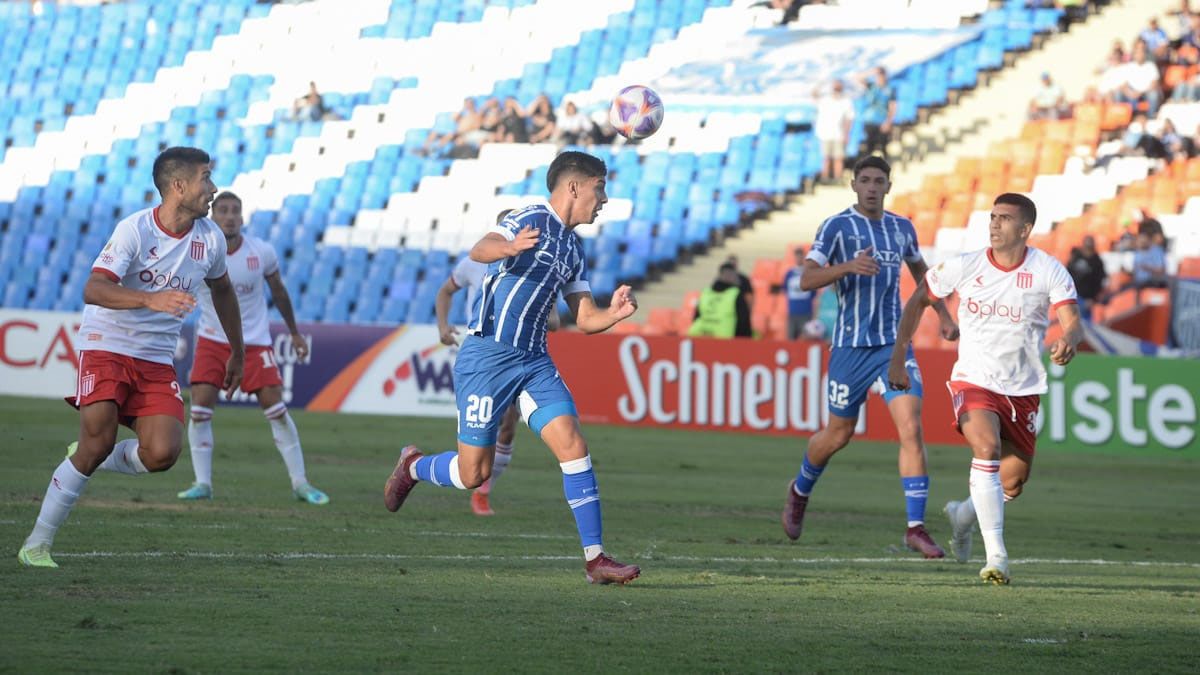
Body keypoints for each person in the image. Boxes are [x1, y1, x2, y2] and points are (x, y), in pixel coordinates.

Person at [384, 150, 641, 585]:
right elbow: (480, 248)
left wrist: (613, 314)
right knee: (473, 474)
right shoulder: (532, 217)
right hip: (488, 357)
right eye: (600, 188)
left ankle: (596, 560)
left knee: (573, 444)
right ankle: (413, 465)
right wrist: (510, 246)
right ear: (574, 186)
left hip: (534, 361)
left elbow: (584, 319)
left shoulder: (573, 249)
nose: (605, 199)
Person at [17, 147, 245, 568]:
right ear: (179, 186)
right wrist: (149, 300)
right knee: (98, 441)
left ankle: (94, 456)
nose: (212, 189)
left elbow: (224, 291)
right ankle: (36, 545)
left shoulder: (210, 238)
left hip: (156, 360)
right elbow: (94, 288)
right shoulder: (135, 230)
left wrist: (238, 351)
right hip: (106, 344)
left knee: (161, 455)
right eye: (206, 178)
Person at [888, 193, 1082, 585]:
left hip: (1023, 387)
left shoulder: (1048, 270)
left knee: (1013, 481)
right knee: (987, 448)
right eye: (992, 217)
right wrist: (898, 355)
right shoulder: (966, 265)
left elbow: (1072, 320)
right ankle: (997, 558)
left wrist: (1070, 341)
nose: (994, 224)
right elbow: (919, 299)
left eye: (1005, 219)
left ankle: (963, 515)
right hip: (973, 378)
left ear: (1025, 229)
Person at [779, 155, 959, 558]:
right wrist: (846, 267)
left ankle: (916, 527)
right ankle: (800, 489)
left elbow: (922, 274)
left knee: (911, 427)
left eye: (880, 180)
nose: (873, 187)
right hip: (849, 349)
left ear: (889, 186)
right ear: (854, 186)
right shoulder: (837, 227)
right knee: (837, 435)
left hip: (894, 346)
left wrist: (944, 314)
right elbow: (807, 278)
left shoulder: (902, 228)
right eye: (866, 180)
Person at [177, 191, 328, 505]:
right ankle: (202, 483)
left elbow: (280, 293)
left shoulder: (261, 252)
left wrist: (295, 333)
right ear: (213, 216)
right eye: (223, 210)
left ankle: (300, 483)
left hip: (255, 342)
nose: (230, 216)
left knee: (276, 408)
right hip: (212, 340)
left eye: (235, 211)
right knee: (200, 410)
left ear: (242, 217)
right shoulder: (199, 252)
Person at [433, 208, 560, 516]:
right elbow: (445, 291)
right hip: (483, 351)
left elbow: (555, 321)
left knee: (508, 427)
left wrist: (543, 312)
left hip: (520, 354)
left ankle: (482, 492)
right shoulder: (475, 263)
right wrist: (442, 326)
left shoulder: (537, 270)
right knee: (490, 428)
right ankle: (464, 475)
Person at [688, 262, 752, 338]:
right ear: (732, 276)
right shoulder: (735, 294)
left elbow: (696, 316)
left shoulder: (705, 293)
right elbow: (743, 321)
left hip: (699, 335)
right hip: (724, 339)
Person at [814, 80, 854, 184]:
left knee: (838, 158)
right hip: (825, 133)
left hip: (839, 134)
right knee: (826, 158)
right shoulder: (825, 100)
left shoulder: (846, 101)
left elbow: (849, 119)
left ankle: (838, 179)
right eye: (835, 88)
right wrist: (821, 83)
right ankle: (825, 178)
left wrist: (846, 134)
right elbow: (814, 95)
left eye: (838, 88)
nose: (837, 90)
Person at [1066, 235, 1107, 320]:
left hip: (1087, 299)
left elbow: (1099, 282)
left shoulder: (1097, 261)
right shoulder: (1076, 257)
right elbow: (1067, 273)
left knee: (1085, 325)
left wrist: (1092, 299)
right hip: (1072, 295)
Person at [860, 67, 896, 158]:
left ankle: (884, 168)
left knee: (883, 147)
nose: (880, 78)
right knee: (869, 147)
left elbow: (893, 106)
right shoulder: (871, 86)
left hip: (882, 121)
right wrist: (871, 72)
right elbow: (857, 78)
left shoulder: (890, 89)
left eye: (881, 75)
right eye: (878, 76)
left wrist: (888, 122)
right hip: (869, 121)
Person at [781, 246, 815, 339]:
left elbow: (813, 292)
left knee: (806, 339)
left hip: (806, 312)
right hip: (792, 312)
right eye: (797, 256)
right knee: (791, 339)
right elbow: (785, 290)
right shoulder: (789, 274)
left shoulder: (808, 273)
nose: (799, 259)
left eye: (801, 256)